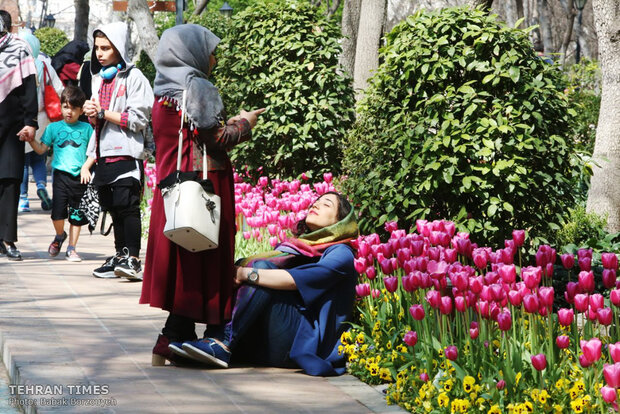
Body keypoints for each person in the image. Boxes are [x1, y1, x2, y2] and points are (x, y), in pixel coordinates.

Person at [140, 24, 265, 365]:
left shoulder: (162, 92)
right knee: (209, 258)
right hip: (204, 190)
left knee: (187, 265)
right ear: (192, 52)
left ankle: (173, 338)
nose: (213, 59)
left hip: (174, 192)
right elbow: (217, 138)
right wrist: (246, 122)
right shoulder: (196, 87)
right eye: (210, 51)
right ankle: (214, 335)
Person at [177, 192, 359, 376]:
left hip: (299, 346)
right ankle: (212, 342)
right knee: (255, 270)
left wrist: (244, 273)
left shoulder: (341, 254)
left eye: (326, 204)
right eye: (316, 202)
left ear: (341, 222)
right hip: (268, 344)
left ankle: (223, 341)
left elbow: (294, 281)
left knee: (259, 270)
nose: (316, 205)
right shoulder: (300, 248)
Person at [82, 22, 153, 279]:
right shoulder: (98, 79)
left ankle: (133, 259)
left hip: (128, 153)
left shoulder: (135, 78)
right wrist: (92, 116)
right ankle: (120, 257)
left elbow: (138, 120)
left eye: (106, 48)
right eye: (97, 48)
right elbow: (99, 122)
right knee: (112, 207)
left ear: (119, 48)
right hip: (104, 154)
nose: (99, 53)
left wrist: (102, 113)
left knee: (128, 206)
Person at [28, 86, 93, 262]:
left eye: (73, 108)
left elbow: (94, 152)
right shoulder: (53, 128)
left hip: (80, 177)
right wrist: (31, 140)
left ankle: (72, 248)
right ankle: (59, 235)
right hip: (60, 177)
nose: (69, 111)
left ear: (81, 110)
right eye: (65, 106)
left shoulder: (87, 129)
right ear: (61, 106)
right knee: (57, 214)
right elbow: (41, 149)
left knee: (77, 215)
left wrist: (86, 167)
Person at [0, 10, 38, 261]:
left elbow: (28, 88)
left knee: (10, 181)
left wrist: (31, 122)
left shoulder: (20, 49)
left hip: (12, 126)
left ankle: (8, 239)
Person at [18, 30, 63, 213]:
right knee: (39, 157)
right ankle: (42, 187)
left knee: (22, 160)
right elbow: (59, 89)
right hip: (43, 119)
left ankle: (23, 199)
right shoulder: (45, 65)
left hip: (22, 118)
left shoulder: (18, 66)